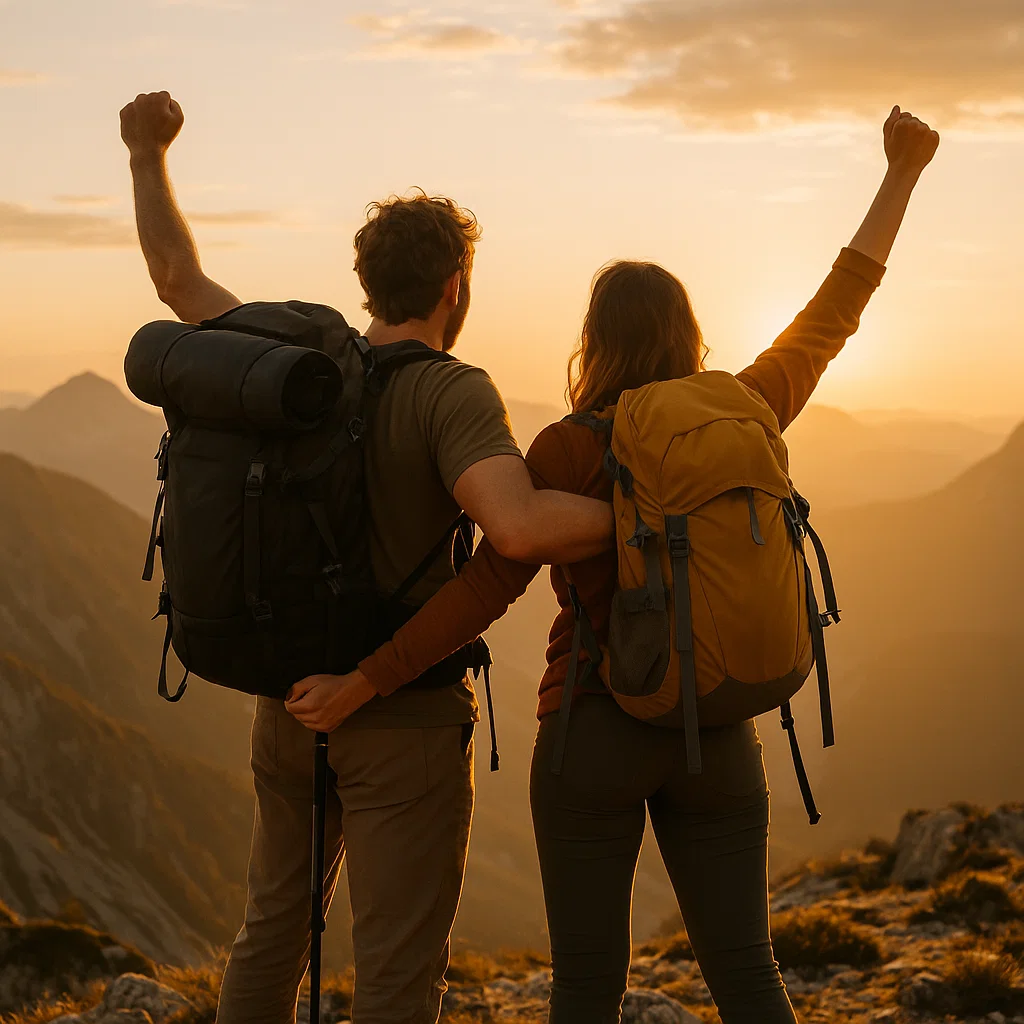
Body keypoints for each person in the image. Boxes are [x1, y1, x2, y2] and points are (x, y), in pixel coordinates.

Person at [285, 107, 941, 1024]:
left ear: (593, 342)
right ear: (688, 334)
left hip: (593, 727)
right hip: (717, 727)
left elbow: (483, 588)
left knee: (588, 987)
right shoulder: (746, 411)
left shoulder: (567, 449)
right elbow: (837, 310)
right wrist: (902, 174)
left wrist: (366, 679)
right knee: (749, 973)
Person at [119, 91, 615, 1024]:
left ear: (365, 280)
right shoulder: (451, 393)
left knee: (270, 933)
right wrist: (634, 521)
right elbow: (515, 531)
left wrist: (146, 153)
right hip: (404, 722)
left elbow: (178, 279)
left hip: (289, 701)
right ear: (454, 286)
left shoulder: (300, 375)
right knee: (393, 970)